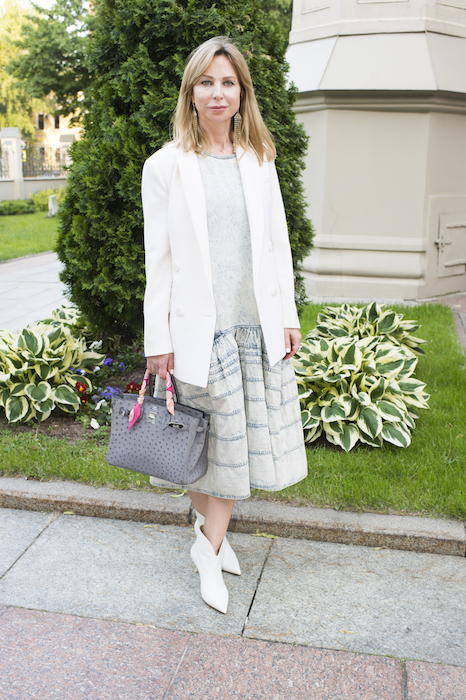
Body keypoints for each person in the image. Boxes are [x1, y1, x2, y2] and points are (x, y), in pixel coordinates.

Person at [142, 36, 307, 614]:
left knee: (235, 449)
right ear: (191, 93)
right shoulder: (164, 166)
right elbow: (159, 260)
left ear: (242, 94)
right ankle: (209, 542)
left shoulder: (260, 160)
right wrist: (158, 340)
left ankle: (207, 549)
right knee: (201, 448)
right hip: (198, 333)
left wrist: (287, 317)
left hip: (251, 328)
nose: (218, 93)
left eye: (228, 82)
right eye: (206, 82)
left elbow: (278, 246)